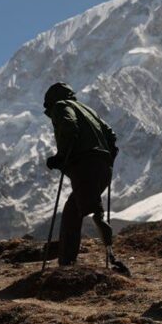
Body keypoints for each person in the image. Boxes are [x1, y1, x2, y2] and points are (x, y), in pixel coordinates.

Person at [43, 82, 119, 267]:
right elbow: (111, 136)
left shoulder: (61, 106)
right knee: (75, 208)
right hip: (104, 168)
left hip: (85, 166)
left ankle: (69, 262)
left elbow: (69, 126)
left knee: (78, 213)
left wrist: (61, 157)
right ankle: (72, 260)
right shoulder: (88, 110)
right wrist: (108, 159)